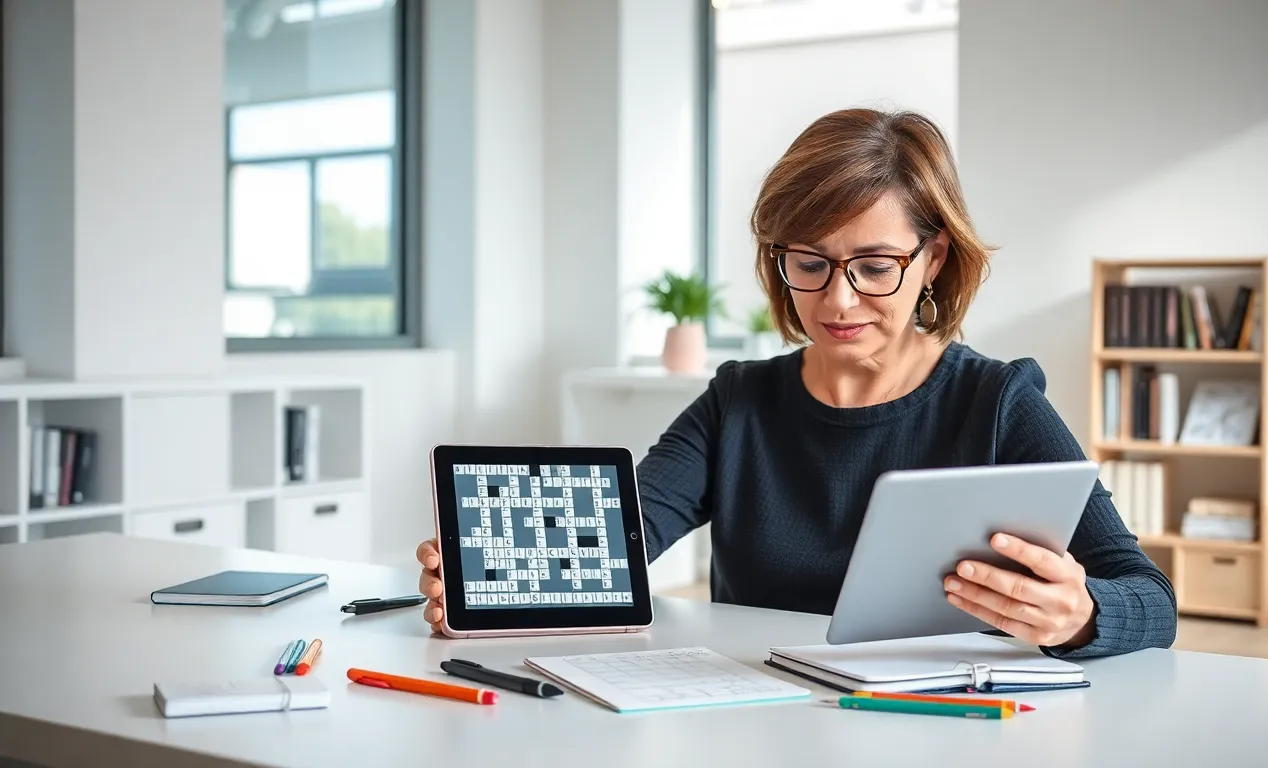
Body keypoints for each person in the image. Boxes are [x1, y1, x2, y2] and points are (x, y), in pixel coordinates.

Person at [416, 108, 1177, 658]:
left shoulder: (998, 402)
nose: (838, 300)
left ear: (934, 259)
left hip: (942, 734)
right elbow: (621, 540)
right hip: (760, 722)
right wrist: (496, 582)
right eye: (809, 263)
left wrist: (1079, 615)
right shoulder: (739, 400)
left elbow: (1150, 599)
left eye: (876, 267)